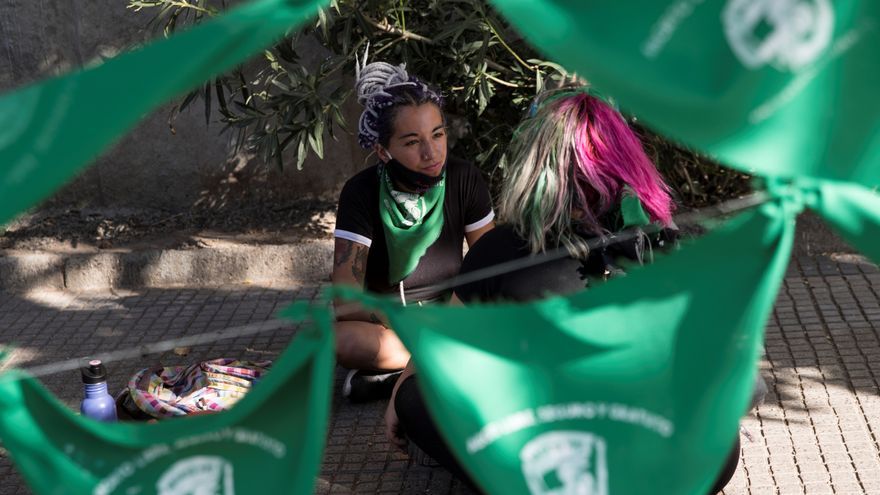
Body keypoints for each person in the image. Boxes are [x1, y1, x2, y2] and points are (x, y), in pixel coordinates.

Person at [386, 90, 740, 493]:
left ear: (534, 164)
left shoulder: (501, 249)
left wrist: (400, 395)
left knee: (419, 398)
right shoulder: (668, 239)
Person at [332, 58, 495, 402]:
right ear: (382, 150)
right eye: (411, 142)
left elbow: (489, 268)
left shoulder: (465, 178)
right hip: (393, 328)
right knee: (343, 340)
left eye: (437, 135)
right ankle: (443, 367)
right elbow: (346, 301)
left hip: (453, 316)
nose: (431, 152)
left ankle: (398, 378)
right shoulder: (360, 192)